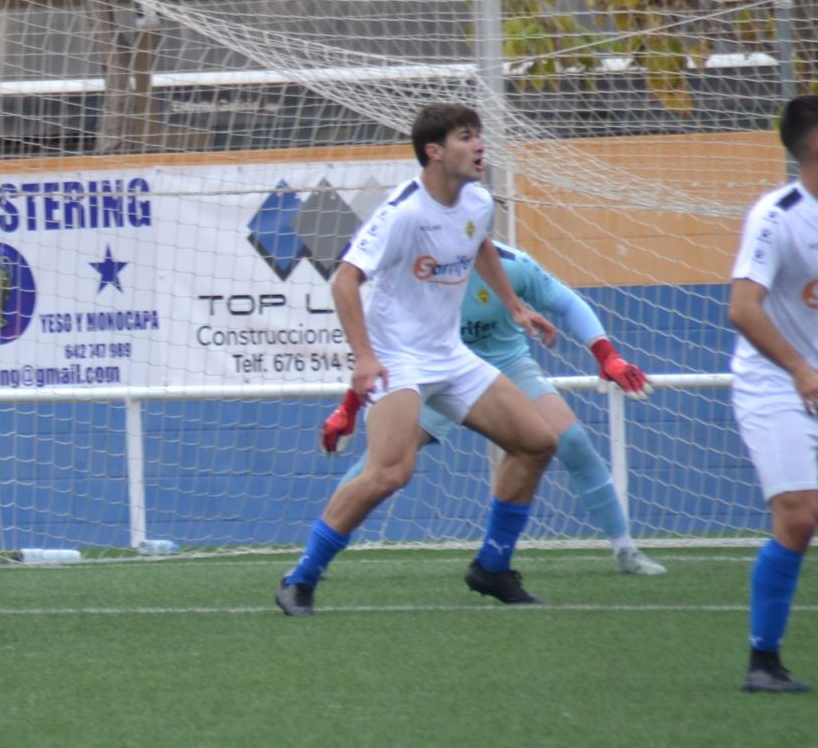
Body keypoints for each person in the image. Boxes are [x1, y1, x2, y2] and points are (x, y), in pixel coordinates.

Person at [274, 103, 559, 617]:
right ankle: (301, 579)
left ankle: (492, 568)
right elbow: (344, 279)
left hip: (449, 355)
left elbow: (481, 245)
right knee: (389, 473)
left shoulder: (476, 201)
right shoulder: (404, 212)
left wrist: (516, 307)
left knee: (537, 443)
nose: (479, 147)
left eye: (478, 137)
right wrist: (364, 359)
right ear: (434, 151)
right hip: (397, 359)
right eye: (466, 137)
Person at [318, 241, 666, 576]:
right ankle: (316, 556)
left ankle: (624, 549)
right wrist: (348, 408)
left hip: (506, 365)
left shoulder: (512, 264)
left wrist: (607, 355)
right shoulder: (415, 275)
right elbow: (382, 342)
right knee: (380, 465)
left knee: (572, 441)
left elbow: (569, 304)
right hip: (433, 372)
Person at [727, 94, 818, 694]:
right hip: (775, 384)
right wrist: (799, 370)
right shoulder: (777, 215)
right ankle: (764, 662)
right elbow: (742, 308)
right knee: (799, 517)